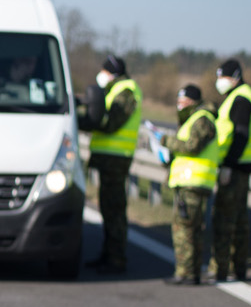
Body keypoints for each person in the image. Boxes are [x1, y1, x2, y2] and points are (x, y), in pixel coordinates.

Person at [79, 54, 141, 274]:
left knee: (114, 209)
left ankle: (116, 259)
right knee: (107, 207)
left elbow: (110, 123)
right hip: (108, 159)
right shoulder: (114, 90)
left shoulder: (126, 92)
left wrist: (85, 121)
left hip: (116, 159)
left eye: (104, 71)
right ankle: (107, 255)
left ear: (113, 73)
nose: (101, 75)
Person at [155, 85, 223, 285]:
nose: (180, 103)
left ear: (192, 101)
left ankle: (185, 273)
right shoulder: (195, 119)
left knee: (184, 229)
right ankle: (191, 272)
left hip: (192, 181)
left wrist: (167, 141)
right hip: (190, 180)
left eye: (183, 100)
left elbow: (192, 146)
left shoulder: (201, 119)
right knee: (192, 228)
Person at [209, 58, 251, 281]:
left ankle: (220, 270)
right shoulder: (238, 96)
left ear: (235, 77)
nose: (219, 82)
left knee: (224, 220)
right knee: (239, 221)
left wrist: (228, 165)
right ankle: (238, 269)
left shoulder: (241, 99)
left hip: (235, 169)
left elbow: (240, 135)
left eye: (223, 77)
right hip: (240, 168)